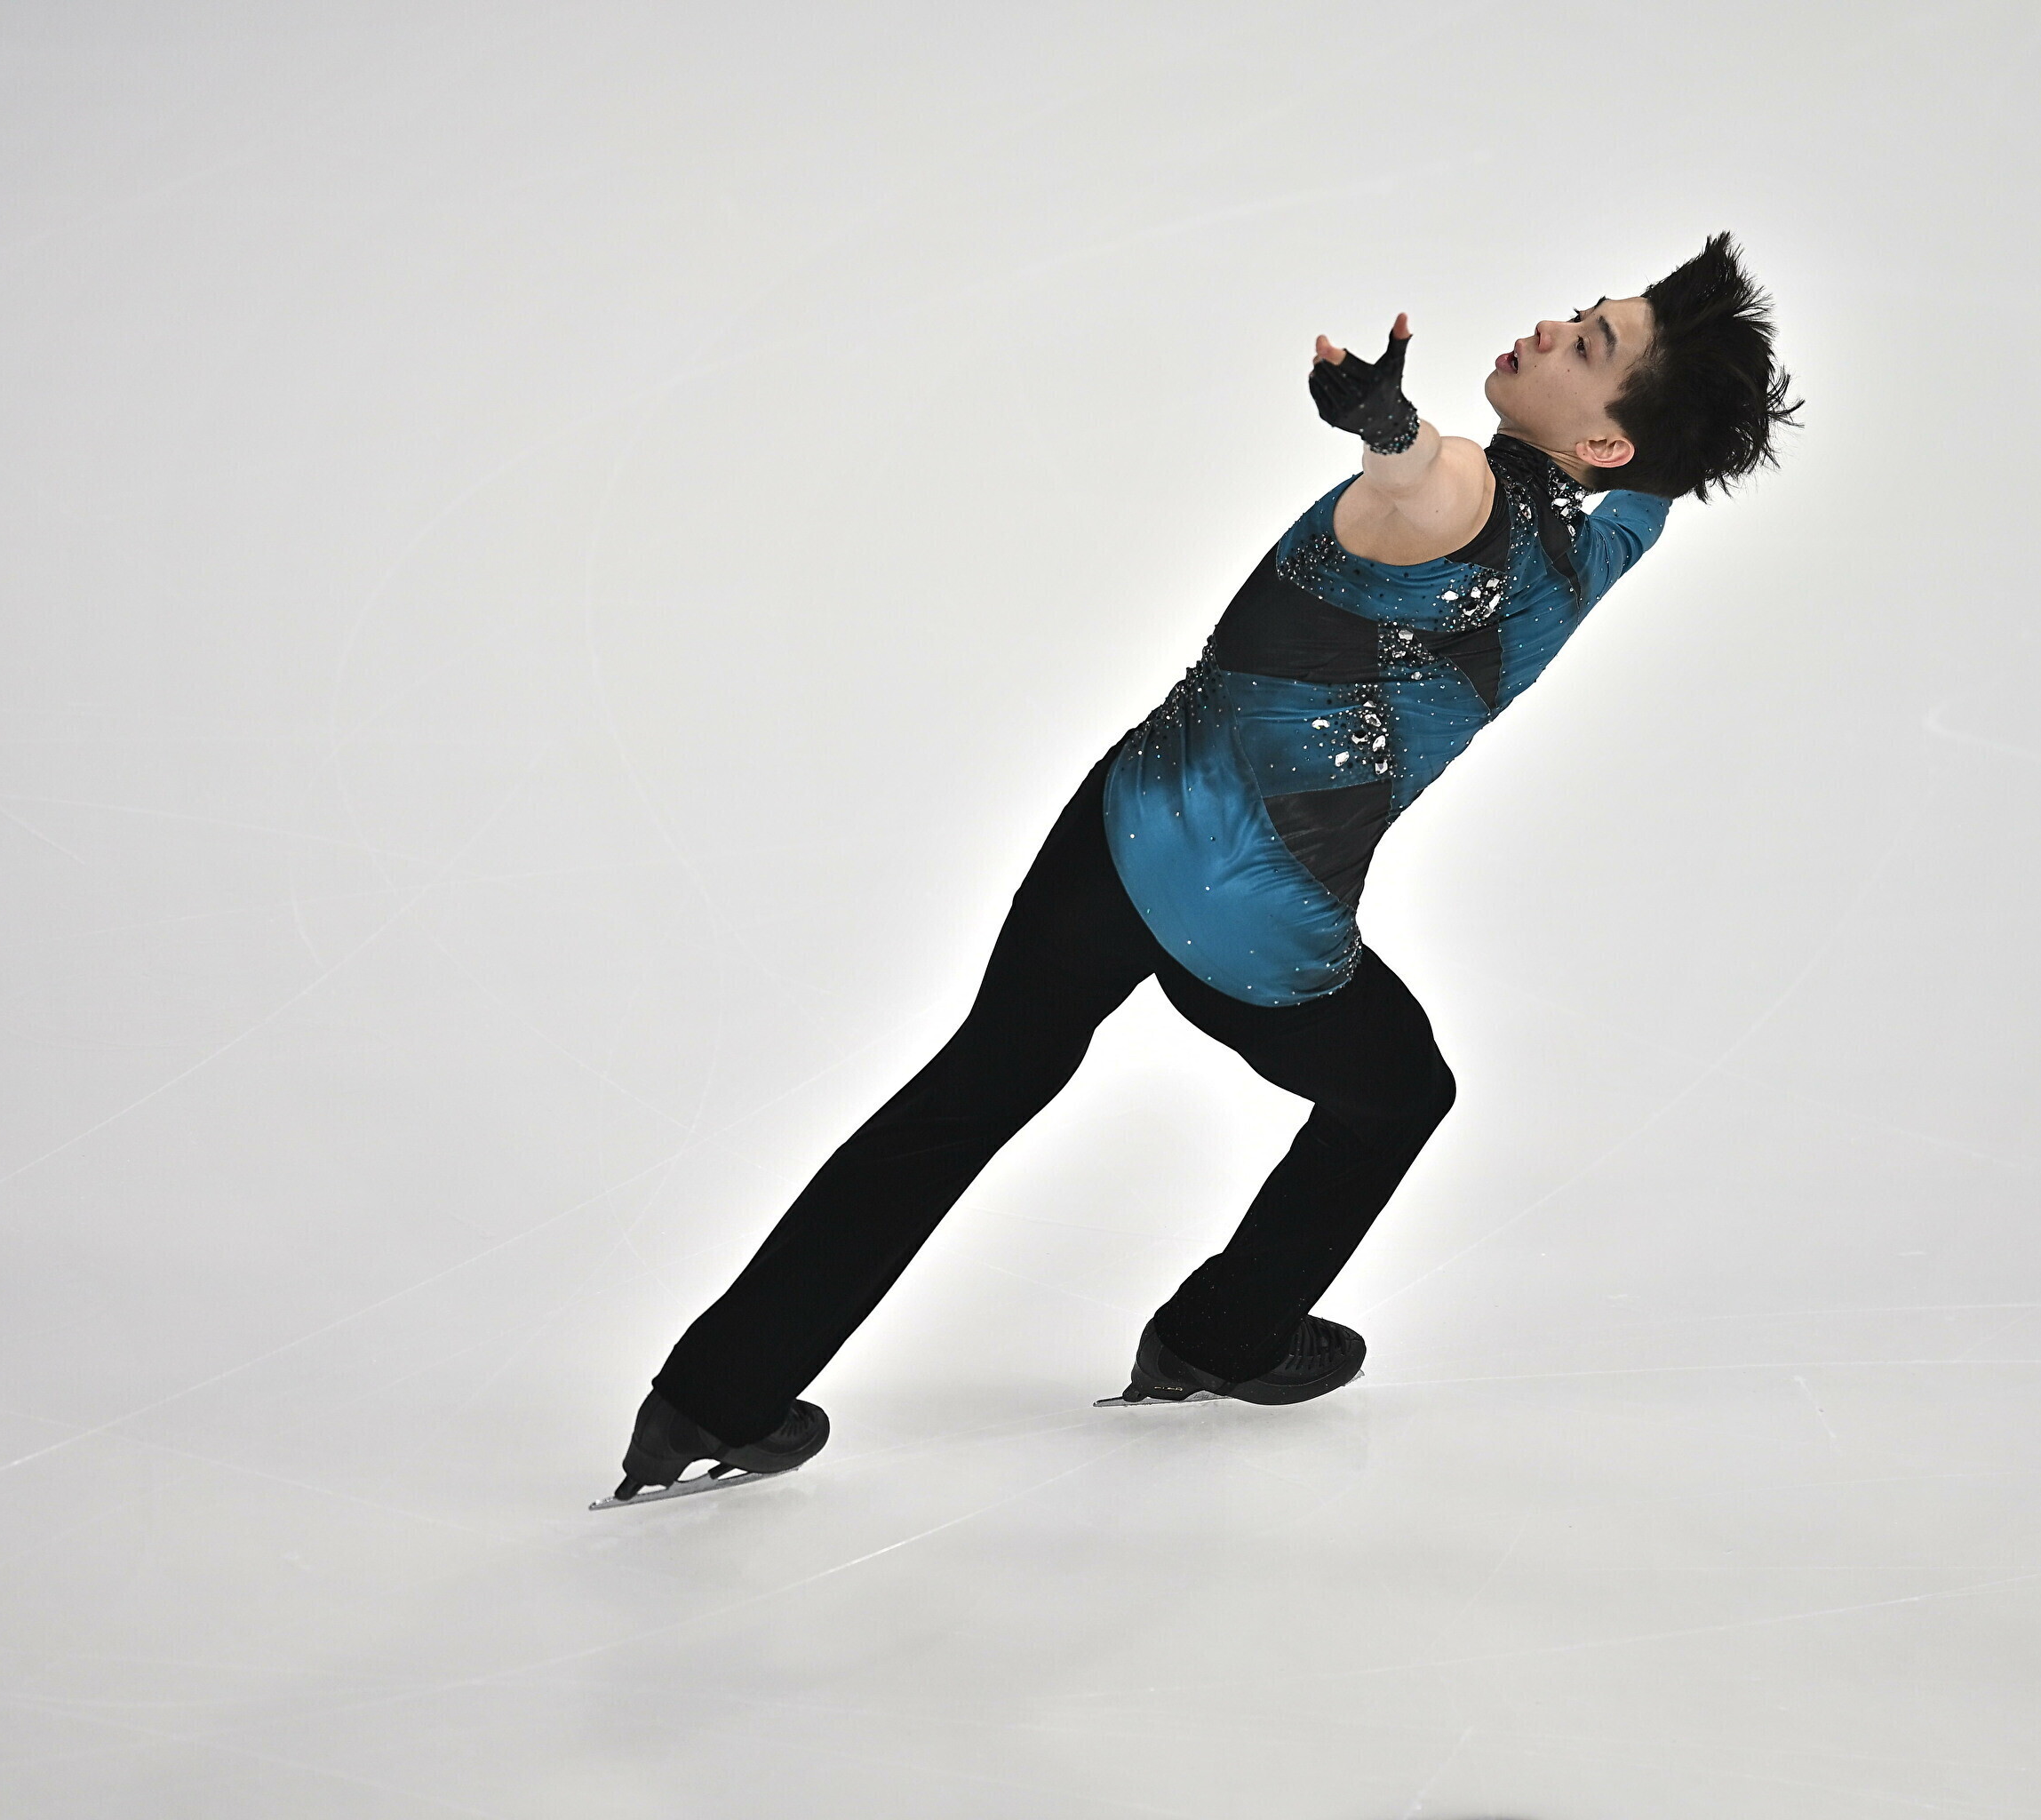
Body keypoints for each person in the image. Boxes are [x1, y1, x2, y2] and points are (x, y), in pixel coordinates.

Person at [599, 233, 1801, 1506]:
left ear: (1608, 443)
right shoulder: (1574, 540)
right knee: (1399, 1095)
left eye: (1591, 344)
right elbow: (1487, 482)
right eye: (1580, 313)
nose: (1552, 329)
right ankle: (1223, 1337)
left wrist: (1394, 430)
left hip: (1124, 824)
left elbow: (1438, 481)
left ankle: (712, 1398)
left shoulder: (1493, 502)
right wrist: (1398, 432)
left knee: (979, 1083)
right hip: (1252, 923)